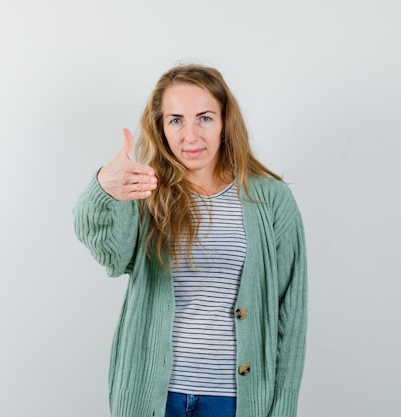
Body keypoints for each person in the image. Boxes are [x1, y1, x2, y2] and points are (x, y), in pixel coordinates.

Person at [73, 64, 307, 417]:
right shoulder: (145, 191)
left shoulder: (269, 199)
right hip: (154, 395)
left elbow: (290, 313)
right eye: (177, 120)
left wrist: (282, 408)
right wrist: (105, 190)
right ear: (161, 127)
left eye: (205, 118)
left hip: (234, 400)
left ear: (226, 122)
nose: (191, 136)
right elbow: (113, 257)